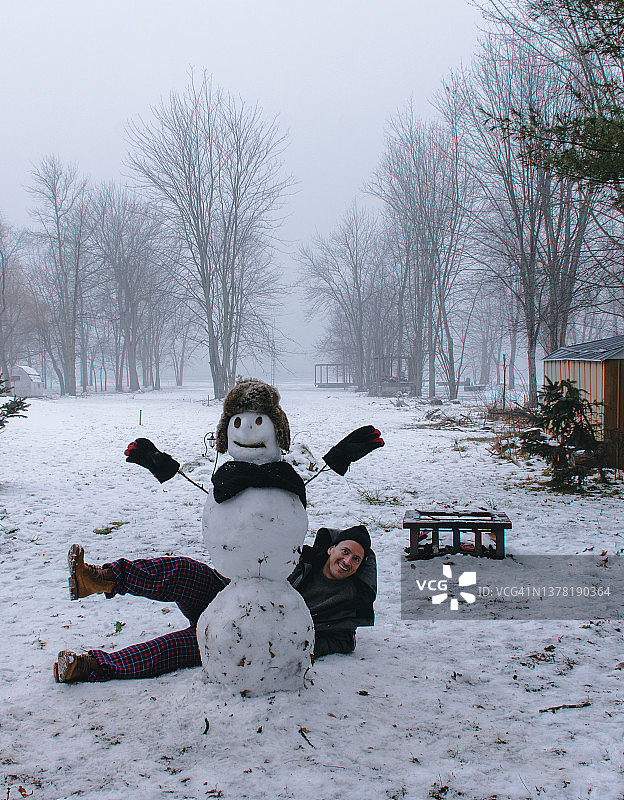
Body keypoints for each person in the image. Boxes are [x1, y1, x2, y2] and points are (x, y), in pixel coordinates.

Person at [54, 525, 376, 683]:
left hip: (245, 641)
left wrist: (295, 647)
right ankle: (102, 579)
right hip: (227, 598)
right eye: (345, 552)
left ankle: (88, 667)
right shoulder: (297, 558)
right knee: (183, 570)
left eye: (356, 560)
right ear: (332, 549)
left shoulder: (347, 603)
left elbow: (342, 640)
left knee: (173, 650)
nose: (348, 561)